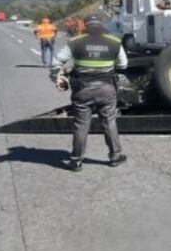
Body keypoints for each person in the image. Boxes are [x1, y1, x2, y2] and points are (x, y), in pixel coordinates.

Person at [49, 17, 128, 171]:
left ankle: (76, 161)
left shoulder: (75, 41)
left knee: (81, 125)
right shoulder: (114, 41)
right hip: (106, 89)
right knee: (109, 122)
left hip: (83, 90)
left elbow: (55, 62)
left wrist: (57, 77)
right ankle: (115, 156)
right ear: (101, 26)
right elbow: (123, 65)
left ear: (85, 26)